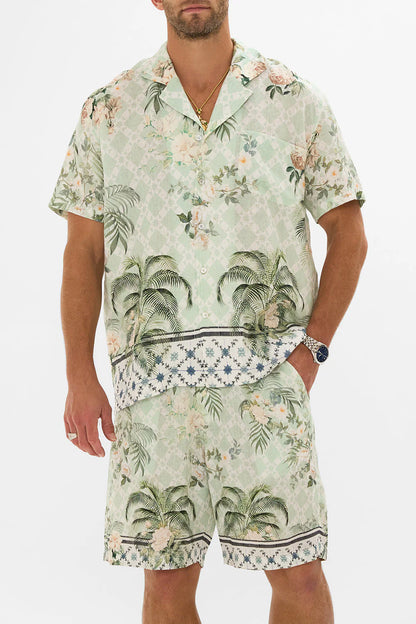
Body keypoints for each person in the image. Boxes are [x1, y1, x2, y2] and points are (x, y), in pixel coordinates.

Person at [48, 1, 368, 622]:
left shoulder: (293, 100)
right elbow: (83, 251)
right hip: (152, 391)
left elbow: (349, 234)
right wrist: (79, 374)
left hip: (267, 383)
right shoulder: (107, 111)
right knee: (166, 587)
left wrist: (312, 351)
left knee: (299, 579)